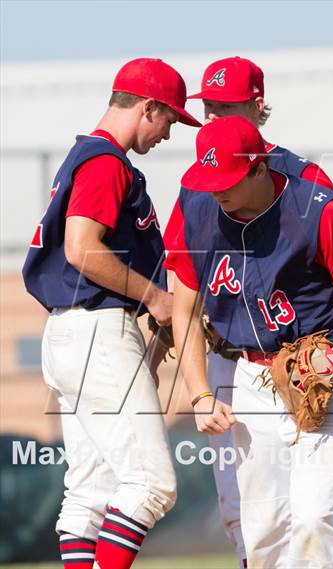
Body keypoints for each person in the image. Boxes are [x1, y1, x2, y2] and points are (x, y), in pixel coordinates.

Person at [163, 56, 333, 568]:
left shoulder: (306, 188)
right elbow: (183, 301)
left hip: (316, 359)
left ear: (258, 108)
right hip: (239, 365)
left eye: (227, 107)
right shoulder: (198, 193)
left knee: (314, 518)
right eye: (208, 110)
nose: (216, 119)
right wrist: (199, 390)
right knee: (254, 528)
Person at [22, 58, 200, 569]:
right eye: (169, 118)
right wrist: (157, 299)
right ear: (147, 107)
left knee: (91, 488)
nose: (169, 133)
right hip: (96, 332)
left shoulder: (87, 157)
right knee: (152, 483)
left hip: (70, 333)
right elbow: (83, 250)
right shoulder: (105, 162)